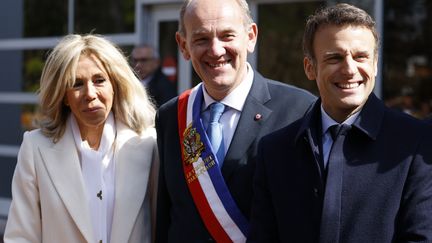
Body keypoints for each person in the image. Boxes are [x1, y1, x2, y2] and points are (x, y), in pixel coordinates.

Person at [248, 3, 432, 242]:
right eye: (334, 58)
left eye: (361, 57)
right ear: (309, 67)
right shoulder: (275, 151)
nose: (349, 69)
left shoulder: (414, 144)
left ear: (375, 64)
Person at [155, 0, 316, 242]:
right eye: (201, 39)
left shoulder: (299, 109)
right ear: (183, 45)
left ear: (250, 37)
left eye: (227, 36)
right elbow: (168, 217)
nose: (216, 50)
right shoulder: (170, 116)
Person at [4, 34, 158, 243]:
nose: (90, 93)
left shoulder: (149, 144)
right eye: (77, 84)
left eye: (99, 80)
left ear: (116, 85)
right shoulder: (35, 147)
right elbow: (21, 236)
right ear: (63, 96)